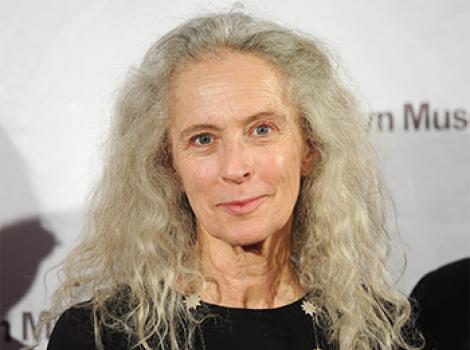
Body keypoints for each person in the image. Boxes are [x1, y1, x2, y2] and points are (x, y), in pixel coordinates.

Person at [44, 11, 421, 350]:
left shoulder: (376, 333)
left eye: (261, 129)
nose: (236, 168)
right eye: (203, 139)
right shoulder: (99, 337)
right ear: (170, 164)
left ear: (310, 146)